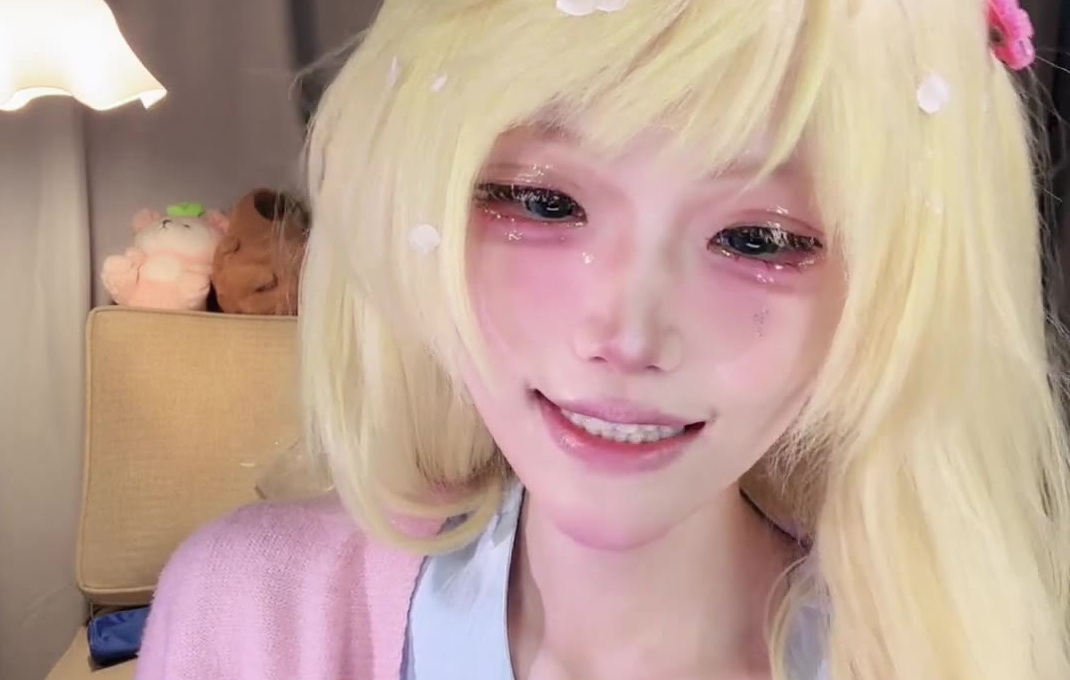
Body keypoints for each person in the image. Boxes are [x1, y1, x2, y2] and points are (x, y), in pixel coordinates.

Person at [135, 0, 1070, 678]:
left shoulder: (956, 652)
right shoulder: (255, 617)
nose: (625, 336)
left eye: (761, 240)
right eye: (539, 201)